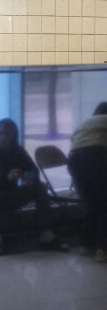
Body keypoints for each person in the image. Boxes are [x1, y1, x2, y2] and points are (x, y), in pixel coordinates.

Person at [0, 118, 69, 255]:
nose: (4, 137)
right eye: (1, 133)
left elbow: (33, 170)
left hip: (9, 195)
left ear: (14, 136)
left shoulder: (17, 152)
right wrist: (6, 178)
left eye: (8, 134)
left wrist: (26, 177)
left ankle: (46, 233)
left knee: (40, 188)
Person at [68, 102, 107, 262]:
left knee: (91, 203)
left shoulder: (85, 123)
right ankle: (103, 249)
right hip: (96, 155)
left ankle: (86, 245)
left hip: (74, 159)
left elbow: (73, 141)